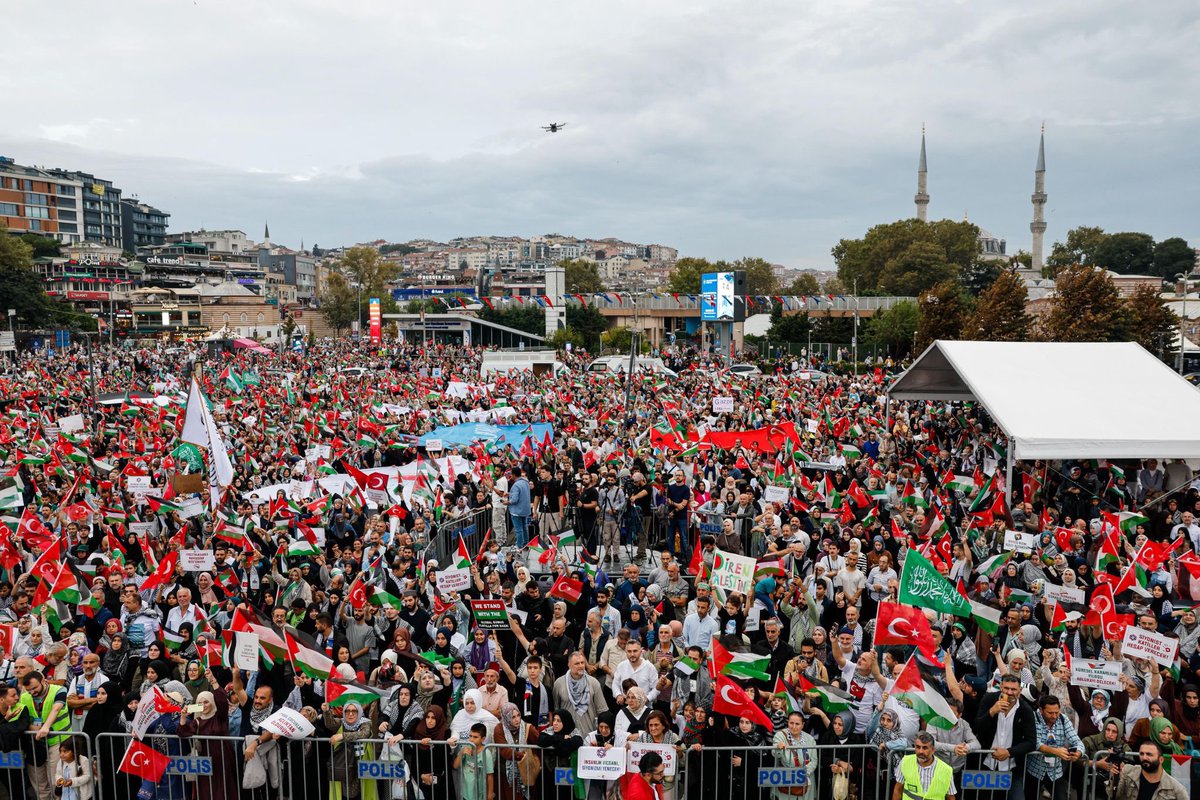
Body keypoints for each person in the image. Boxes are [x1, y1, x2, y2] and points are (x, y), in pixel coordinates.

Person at [1025, 695, 1084, 800]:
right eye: (1050, 713)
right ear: (1041, 710)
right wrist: (1055, 751)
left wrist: (1078, 752)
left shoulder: (1062, 719)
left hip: (1055, 771)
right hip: (1034, 770)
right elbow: (1035, 742)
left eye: (1056, 712)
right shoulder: (1033, 717)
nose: (1054, 716)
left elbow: (1077, 741)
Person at [1108, 740, 1189, 800]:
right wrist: (1115, 777)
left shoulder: (1176, 790)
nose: (1144, 757)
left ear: (1161, 759)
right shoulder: (1128, 772)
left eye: (1149, 754)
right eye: (1142, 754)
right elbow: (1113, 796)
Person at [892, 732, 956, 800]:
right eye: (918, 747)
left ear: (933, 750)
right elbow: (898, 790)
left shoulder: (946, 770)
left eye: (925, 748)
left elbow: (950, 797)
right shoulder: (905, 762)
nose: (920, 751)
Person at [455, 722, 496, 800]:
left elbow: (490, 775)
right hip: (466, 792)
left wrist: (490, 794)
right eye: (470, 736)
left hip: (480, 793)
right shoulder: (465, 748)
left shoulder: (486, 753)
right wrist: (461, 753)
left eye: (475, 737)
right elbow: (455, 766)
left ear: (483, 739)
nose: (471, 739)